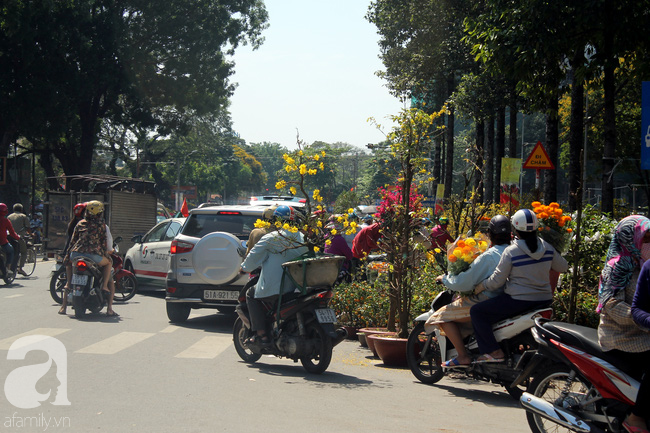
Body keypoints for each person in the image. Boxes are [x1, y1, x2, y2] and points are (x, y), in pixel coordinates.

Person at [470, 209, 568, 363]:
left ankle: (493, 351)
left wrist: (480, 286)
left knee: (477, 312)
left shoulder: (512, 251)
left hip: (518, 301)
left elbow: (496, 282)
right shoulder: (547, 247)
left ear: (514, 229)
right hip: (544, 300)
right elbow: (563, 267)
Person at [425, 215, 512, 368]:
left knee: (441, 316)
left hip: (486, 299)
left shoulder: (489, 256)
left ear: (490, 235)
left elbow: (464, 282)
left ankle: (463, 355)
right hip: (507, 300)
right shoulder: (514, 251)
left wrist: (446, 279)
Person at [597, 215, 650, 433]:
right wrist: (641, 319)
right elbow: (610, 304)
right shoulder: (616, 268)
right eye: (646, 238)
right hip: (621, 337)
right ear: (630, 238)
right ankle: (636, 418)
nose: (649, 242)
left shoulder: (643, 266)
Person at [240, 205, 308, 345]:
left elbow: (251, 259)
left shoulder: (271, 238)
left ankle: (261, 335)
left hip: (276, 290)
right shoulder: (304, 238)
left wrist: (243, 268)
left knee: (250, 295)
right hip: (299, 289)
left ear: (275, 221)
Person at [63, 200, 118, 317]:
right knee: (108, 263)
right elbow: (107, 245)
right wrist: (109, 251)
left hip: (76, 254)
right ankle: (104, 290)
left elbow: (73, 242)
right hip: (93, 256)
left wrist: (68, 256)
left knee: (69, 265)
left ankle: (68, 285)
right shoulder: (102, 226)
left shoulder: (80, 223)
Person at [59, 203, 87, 314]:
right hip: (85, 256)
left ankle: (63, 307)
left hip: (71, 255)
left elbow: (70, 243)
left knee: (69, 282)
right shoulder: (85, 224)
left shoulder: (72, 225)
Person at [8, 203, 32, 276]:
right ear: (21, 210)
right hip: (19, 237)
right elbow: (28, 227)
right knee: (23, 252)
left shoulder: (9, 216)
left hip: (9, 237)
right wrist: (31, 234)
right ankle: (20, 268)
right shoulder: (23, 216)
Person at [0, 203, 20, 277]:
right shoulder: (5, 221)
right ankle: (8, 269)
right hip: (2, 242)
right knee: (11, 251)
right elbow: (12, 233)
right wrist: (19, 238)